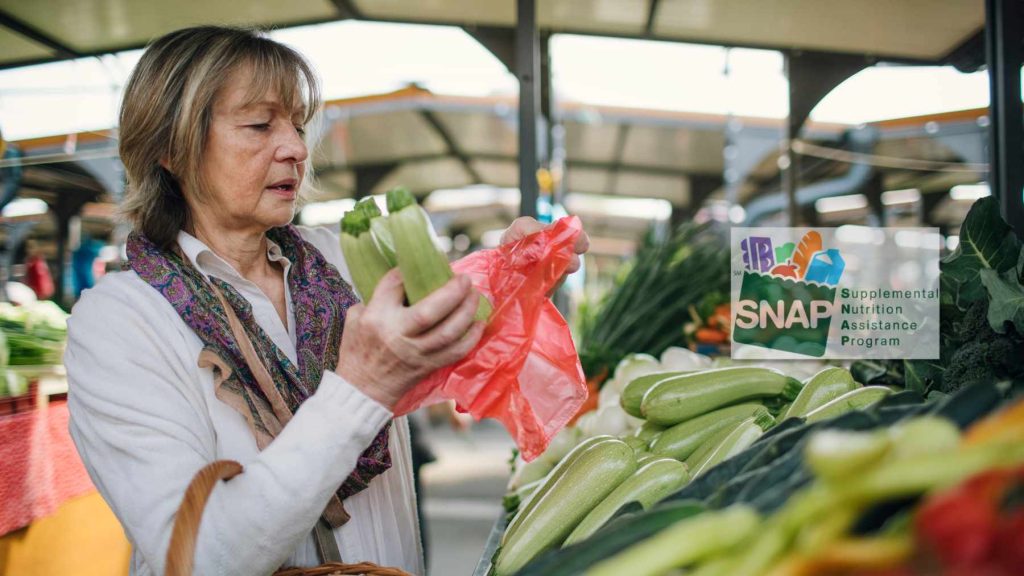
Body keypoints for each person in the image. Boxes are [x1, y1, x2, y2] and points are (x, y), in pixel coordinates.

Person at [64, 25, 588, 576]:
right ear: (171, 147)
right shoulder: (119, 323)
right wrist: (364, 386)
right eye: (260, 124)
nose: (294, 148)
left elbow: (462, 339)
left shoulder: (340, 260)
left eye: (296, 124)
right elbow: (199, 559)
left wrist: (513, 277)